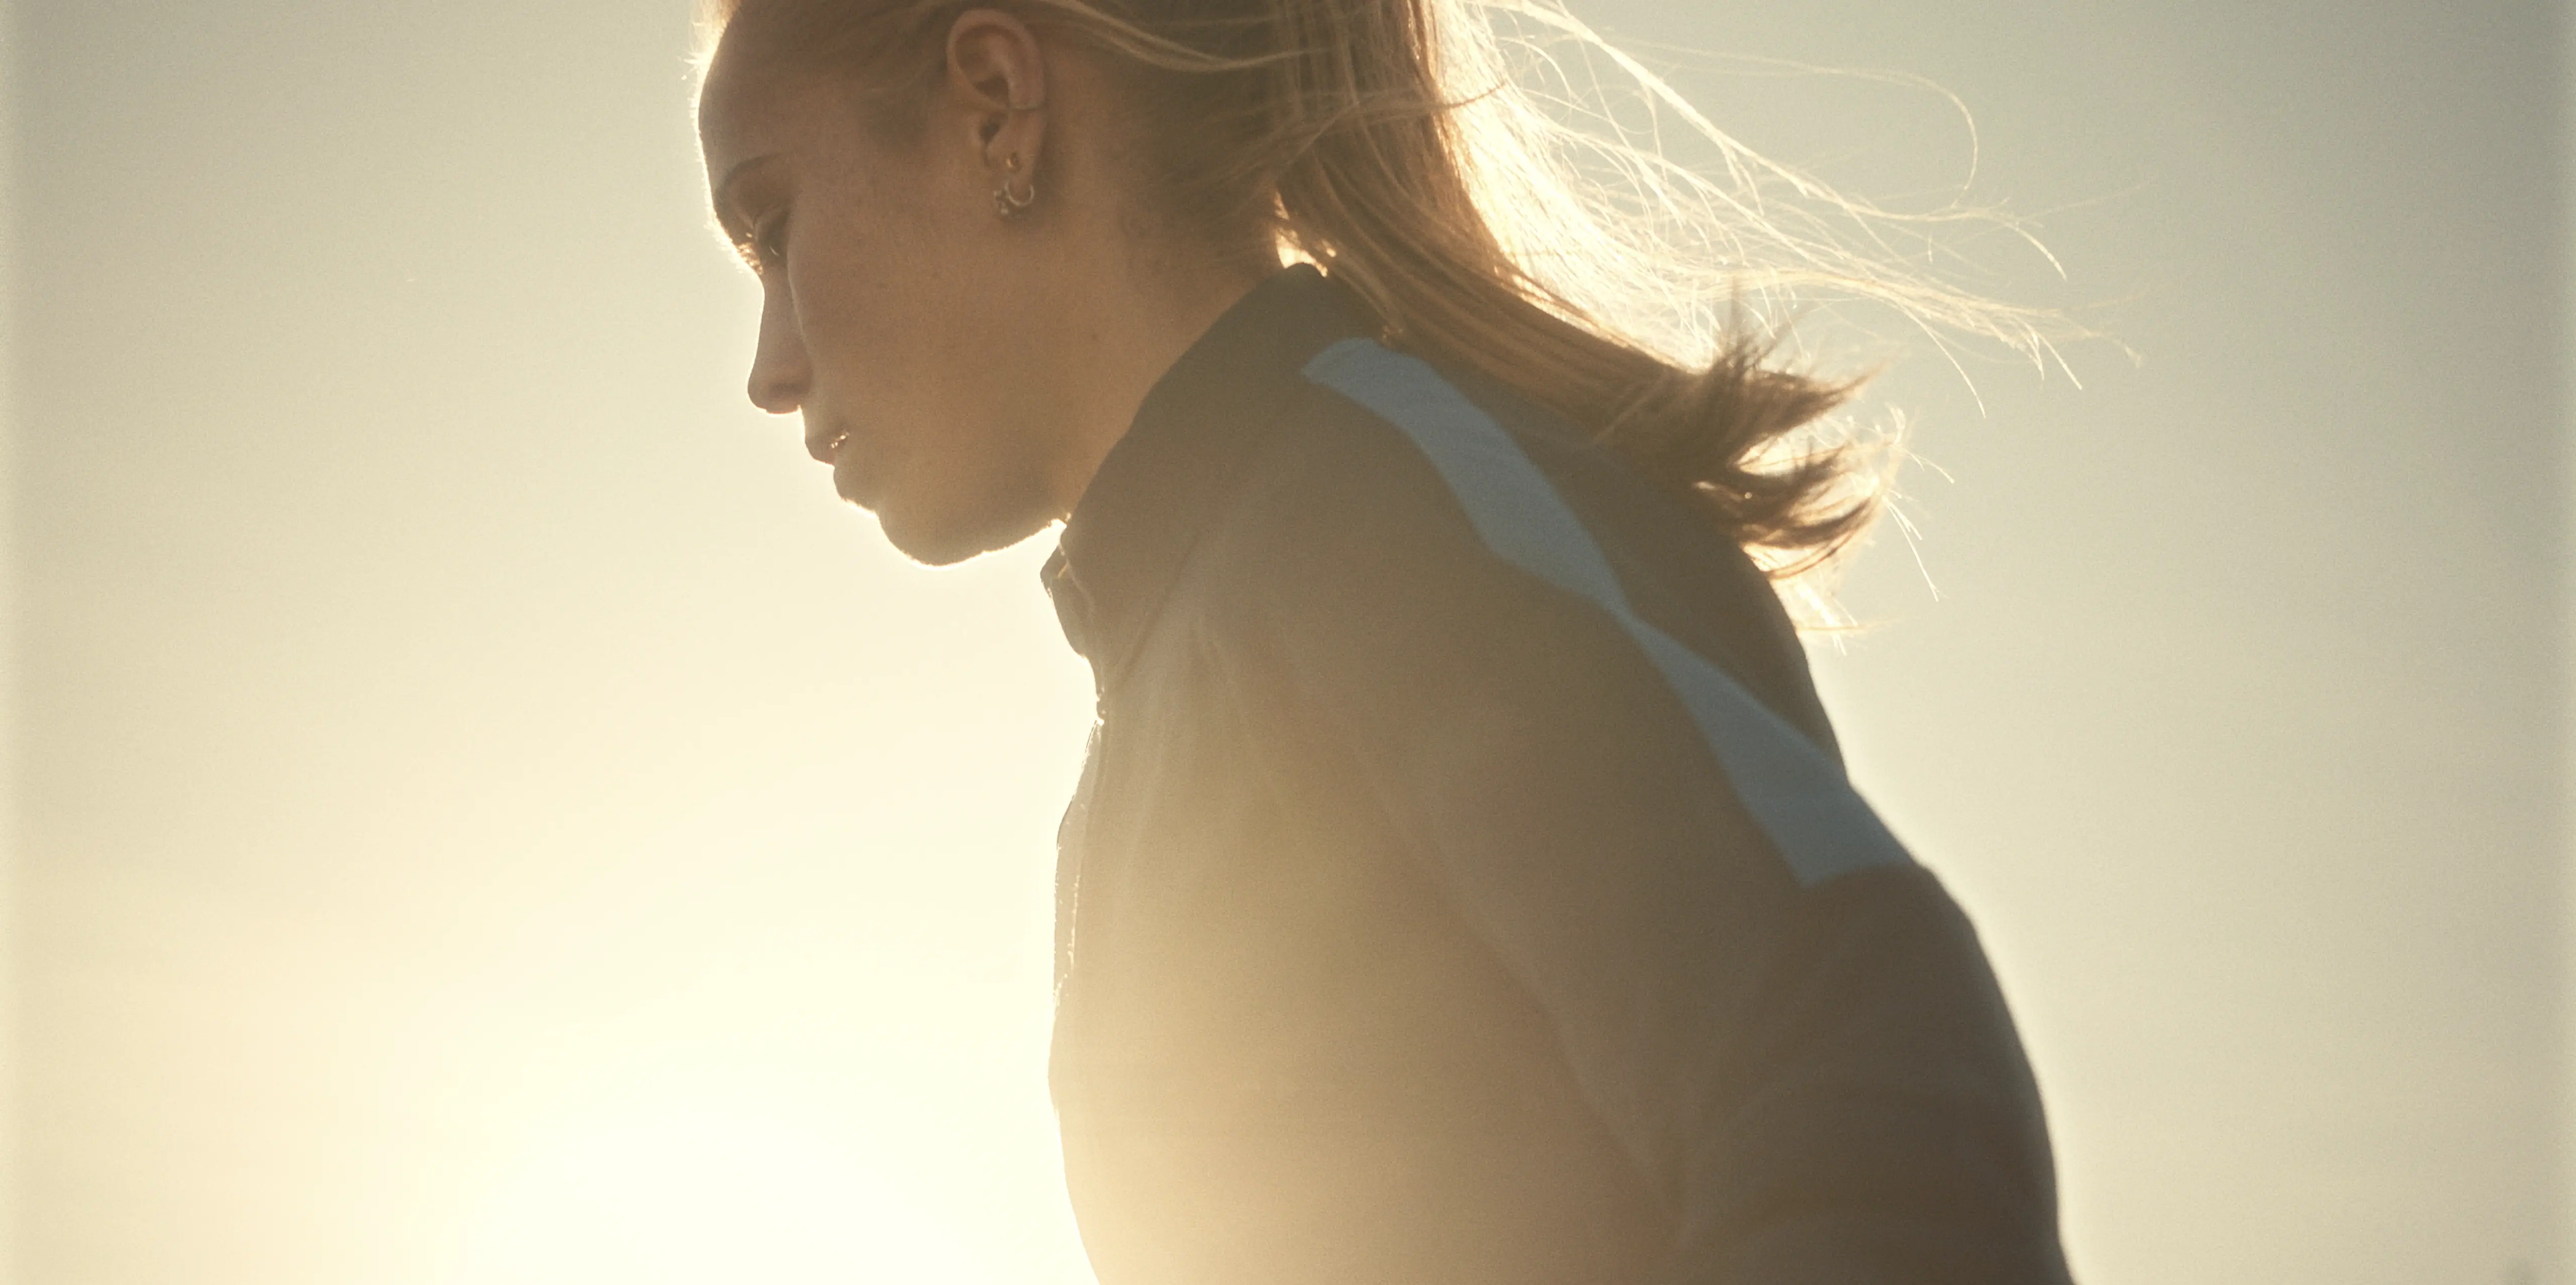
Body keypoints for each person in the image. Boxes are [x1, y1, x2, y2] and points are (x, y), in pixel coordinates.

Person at [693, 0, 2076, 1280]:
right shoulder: (1180, 677)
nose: (771, 369)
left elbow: (1855, 1038)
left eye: (770, 225)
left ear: (996, 105)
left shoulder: (1376, 506)